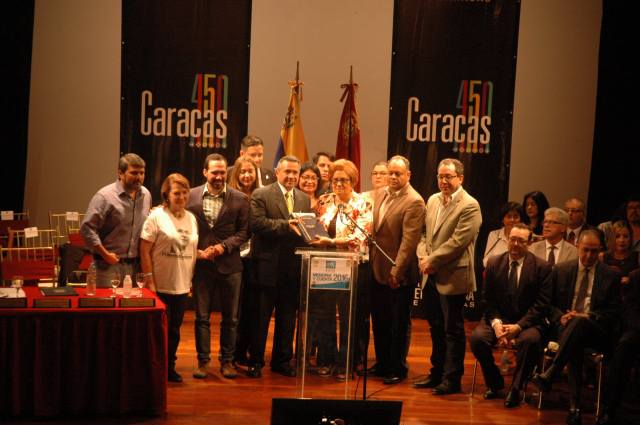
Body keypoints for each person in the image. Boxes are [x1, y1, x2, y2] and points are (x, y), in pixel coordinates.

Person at [532, 229, 622, 425]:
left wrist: (587, 315)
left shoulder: (611, 275)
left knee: (580, 324)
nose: (589, 256)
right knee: (575, 340)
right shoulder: (562, 270)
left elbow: (614, 313)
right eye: (585, 250)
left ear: (600, 250)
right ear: (577, 247)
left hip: (596, 331)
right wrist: (561, 317)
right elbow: (548, 305)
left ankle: (552, 375)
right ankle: (574, 407)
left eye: (594, 251)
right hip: (566, 329)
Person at [415, 158, 482, 395]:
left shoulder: (470, 205)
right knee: (434, 326)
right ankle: (436, 373)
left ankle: (452, 379)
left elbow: (458, 243)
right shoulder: (433, 199)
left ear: (460, 178)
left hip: (453, 276)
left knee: (452, 329)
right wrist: (424, 257)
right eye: (440, 176)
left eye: (449, 177)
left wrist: (432, 261)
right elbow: (423, 234)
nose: (443, 181)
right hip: (430, 273)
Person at [470, 223, 552, 407]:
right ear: (508, 240)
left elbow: (541, 305)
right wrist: (497, 325)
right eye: (512, 239)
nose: (515, 244)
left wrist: (518, 327)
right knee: (477, 339)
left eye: (521, 241)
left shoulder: (542, 267)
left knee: (530, 341)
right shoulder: (493, 263)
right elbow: (487, 300)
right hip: (499, 318)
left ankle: (516, 388)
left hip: (528, 322)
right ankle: (494, 382)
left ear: (529, 243)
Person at [248, 155, 311, 378]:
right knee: (260, 319)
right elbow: (256, 224)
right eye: (288, 172)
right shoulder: (261, 194)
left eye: (295, 172)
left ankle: (282, 361)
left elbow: (306, 230)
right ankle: (255, 361)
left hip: (292, 270)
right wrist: (287, 226)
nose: (292, 176)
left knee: (287, 319)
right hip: (266, 269)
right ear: (277, 172)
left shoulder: (304, 199)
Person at [188, 153, 250, 380]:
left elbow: (244, 232)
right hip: (201, 265)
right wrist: (196, 251)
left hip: (230, 265)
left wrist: (223, 247)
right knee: (201, 317)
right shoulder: (191, 196)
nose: (218, 176)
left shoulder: (240, 198)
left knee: (231, 319)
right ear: (205, 172)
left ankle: (227, 362)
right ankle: (202, 362)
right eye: (214, 172)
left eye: (222, 172)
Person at [310, 159, 373, 380]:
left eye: (344, 180)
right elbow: (315, 228)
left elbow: (361, 236)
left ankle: (347, 364)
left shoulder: (363, 203)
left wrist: (331, 241)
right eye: (335, 180)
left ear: (353, 181)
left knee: (349, 318)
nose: (339, 184)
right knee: (325, 315)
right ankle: (327, 360)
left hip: (352, 267)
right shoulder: (324, 201)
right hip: (325, 267)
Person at [370, 155, 425, 385]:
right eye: (390, 173)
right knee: (380, 321)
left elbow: (409, 242)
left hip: (398, 273)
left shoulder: (414, 201)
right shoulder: (381, 193)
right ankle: (382, 363)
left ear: (408, 175)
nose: (392, 177)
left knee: (398, 323)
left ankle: (397, 367)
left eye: (397, 173)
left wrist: (396, 271)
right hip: (376, 268)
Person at [140, 173, 199, 383]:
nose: (181, 197)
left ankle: (168, 367)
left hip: (182, 286)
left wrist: (190, 280)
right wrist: (149, 280)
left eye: (185, 193)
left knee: (174, 330)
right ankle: (153, 366)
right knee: (157, 330)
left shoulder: (191, 218)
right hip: (160, 285)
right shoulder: (156, 217)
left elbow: (191, 250)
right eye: (176, 193)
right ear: (167, 194)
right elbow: (144, 250)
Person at [80, 153, 151, 287]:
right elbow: (87, 228)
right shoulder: (105, 196)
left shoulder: (146, 195)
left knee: (132, 306)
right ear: (120, 173)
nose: (139, 177)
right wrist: (105, 254)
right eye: (134, 173)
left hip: (136, 267)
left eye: (142, 173)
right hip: (107, 267)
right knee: (108, 306)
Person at [597, 268, 640, 425]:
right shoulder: (636, 276)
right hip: (637, 329)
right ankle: (609, 408)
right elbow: (629, 310)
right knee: (623, 346)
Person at [227, 156, 259, 366]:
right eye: (243, 172)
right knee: (234, 310)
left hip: (256, 260)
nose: (247, 175)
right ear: (236, 174)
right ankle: (232, 353)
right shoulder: (230, 197)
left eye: (250, 171)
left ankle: (245, 350)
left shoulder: (261, 196)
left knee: (251, 309)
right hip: (235, 258)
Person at [482, 201, 524, 267]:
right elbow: (486, 260)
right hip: (495, 273)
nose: (512, 220)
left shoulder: (525, 237)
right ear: (502, 219)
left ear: (521, 220)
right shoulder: (494, 235)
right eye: (508, 216)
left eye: (515, 217)